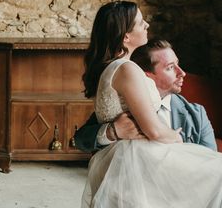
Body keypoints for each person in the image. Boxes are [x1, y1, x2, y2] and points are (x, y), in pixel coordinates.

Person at [81, 1, 222, 208]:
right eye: (140, 22)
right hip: (137, 159)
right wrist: (176, 138)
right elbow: (154, 131)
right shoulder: (127, 69)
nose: (147, 25)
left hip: (132, 158)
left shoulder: (114, 68)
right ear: (126, 36)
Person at [74, 39, 216, 152]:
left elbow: (210, 164)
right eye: (170, 67)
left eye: (178, 64)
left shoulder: (197, 114)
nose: (182, 73)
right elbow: (80, 140)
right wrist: (113, 131)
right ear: (146, 75)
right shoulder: (124, 105)